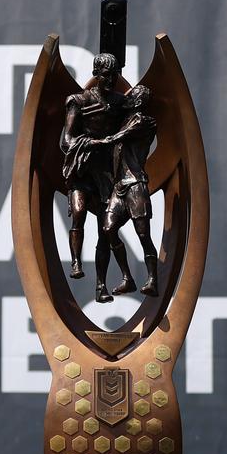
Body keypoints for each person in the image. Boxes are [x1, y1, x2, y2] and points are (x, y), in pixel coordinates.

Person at [61, 52, 128, 299]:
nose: (111, 80)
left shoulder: (120, 103)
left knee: (105, 230)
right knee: (78, 213)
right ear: (96, 75)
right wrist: (92, 142)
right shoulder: (78, 101)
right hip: (83, 169)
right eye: (106, 75)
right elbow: (66, 140)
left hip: (106, 175)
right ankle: (76, 263)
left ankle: (101, 286)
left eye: (115, 75)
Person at [98, 84, 160, 298]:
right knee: (108, 229)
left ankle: (152, 278)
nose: (132, 99)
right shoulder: (124, 119)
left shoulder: (144, 122)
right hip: (120, 186)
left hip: (136, 184)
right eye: (133, 96)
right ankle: (128, 278)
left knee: (143, 234)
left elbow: (121, 136)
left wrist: (99, 141)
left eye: (135, 97)